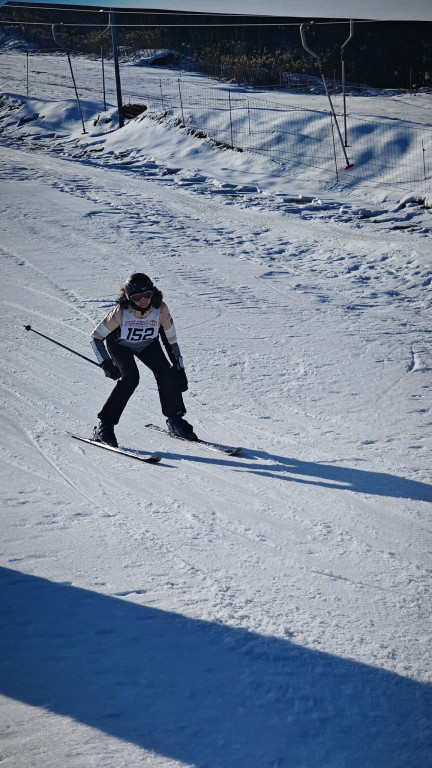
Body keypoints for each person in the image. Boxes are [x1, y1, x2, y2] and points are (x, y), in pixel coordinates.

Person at [90, 272, 196, 447]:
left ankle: (175, 420)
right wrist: (106, 363)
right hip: (120, 345)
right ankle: (105, 426)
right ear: (128, 297)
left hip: (147, 344)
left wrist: (179, 367)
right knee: (130, 379)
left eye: (147, 295)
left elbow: (171, 341)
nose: (144, 300)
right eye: (137, 297)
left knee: (167, 374)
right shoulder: (121, 312)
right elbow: (96, 337)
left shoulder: (160, 309)